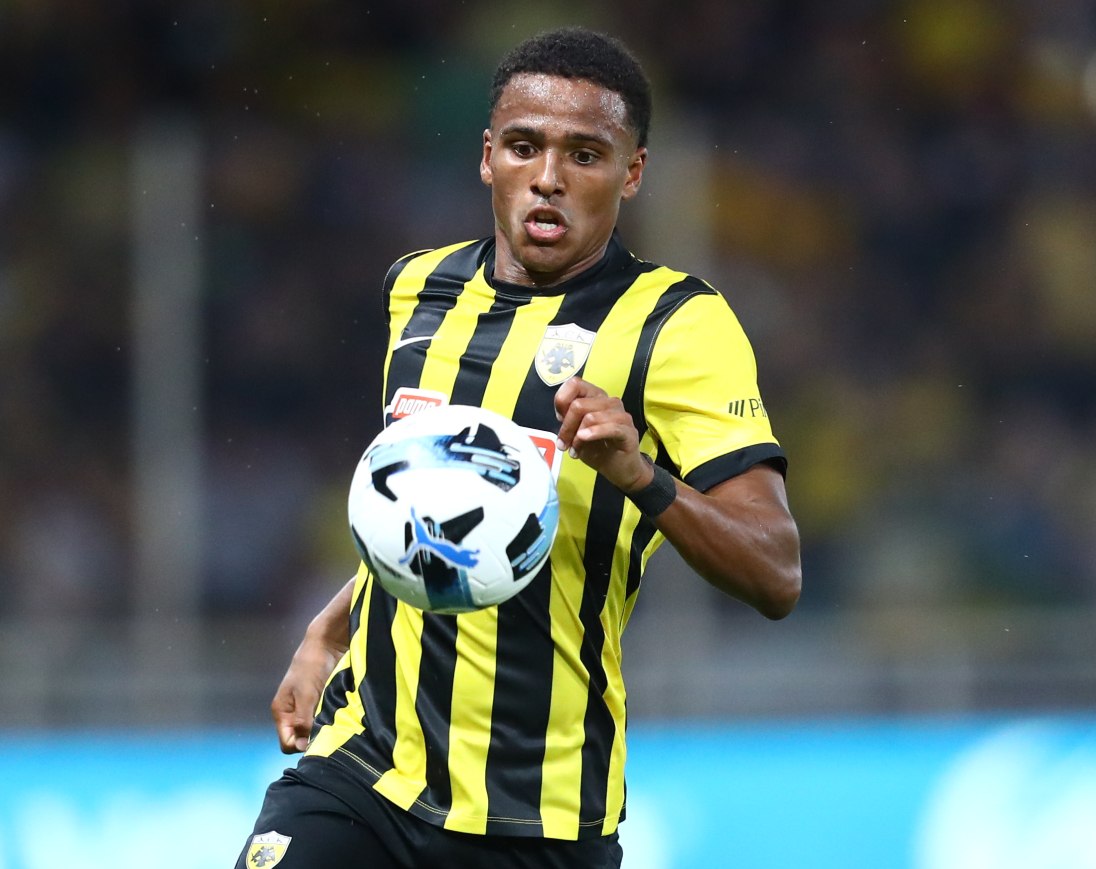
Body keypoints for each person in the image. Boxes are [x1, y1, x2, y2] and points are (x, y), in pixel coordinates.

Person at [237, 26, 801, 869]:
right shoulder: (417, 290)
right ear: (487, 157)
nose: (548, 177)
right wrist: (329, 629)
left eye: (585, 154)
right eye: (525, 147)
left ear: (633, 172)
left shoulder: (677, 325)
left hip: (539, 814)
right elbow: (443, 512)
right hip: (363, 770)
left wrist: (639, 474)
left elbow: (776, 572)